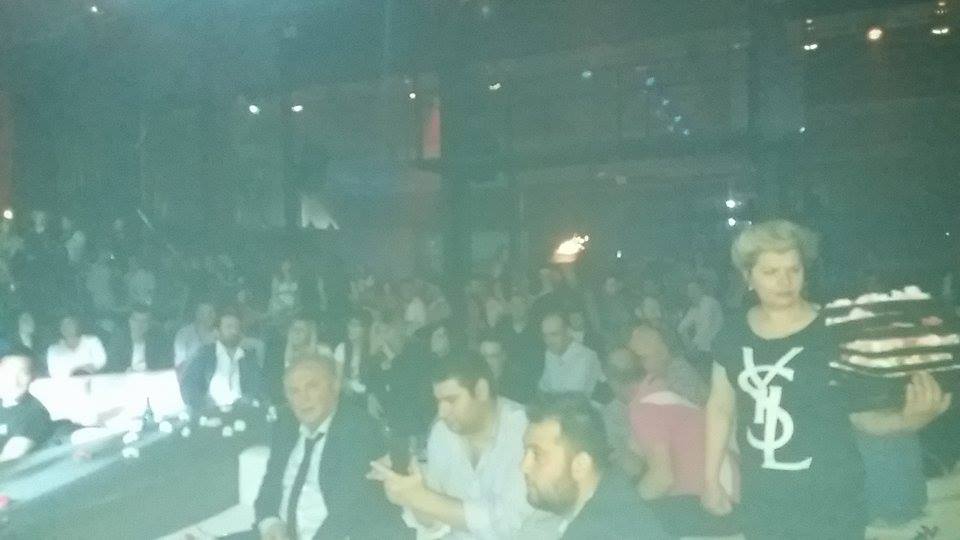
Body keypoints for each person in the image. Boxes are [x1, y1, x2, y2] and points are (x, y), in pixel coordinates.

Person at [702, 220, 951, 538]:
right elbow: (720, 407)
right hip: (763, 499)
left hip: (832, 499)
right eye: (771, 271)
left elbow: (863, 417)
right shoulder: (733, 333)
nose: (785, 281)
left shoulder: (837, 330)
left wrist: (907, 421)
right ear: (748, 276)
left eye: (794, 269)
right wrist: (710, 479)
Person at [227, 355, 407, 540]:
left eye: (312, 386)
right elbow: (270, 487)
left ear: (334, 387)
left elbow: (347, 510)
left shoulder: (358, 429)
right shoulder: (286, 425)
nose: (303, 398)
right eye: (294, 391)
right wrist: (271, 524)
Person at [368, 354, 544, 539]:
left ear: (481, 390)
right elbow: (435, 523)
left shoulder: (525, 431)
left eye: (451, 400)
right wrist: (408, 488)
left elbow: (507, 522)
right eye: (439, 402)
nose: (442, 412)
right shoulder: (442, 433)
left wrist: (422, 498)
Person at [522, 393, 671, 539]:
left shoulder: (595, 532)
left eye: (537, 455)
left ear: (580, 465)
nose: (523, 466)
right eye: (526, 452)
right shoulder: (613, 489)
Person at [179, 310, 263, 410]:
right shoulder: (205, 355)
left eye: (237, 327)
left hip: (242, 412)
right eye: (229, 327)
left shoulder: (248, 358)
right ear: (217, 332)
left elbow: (258, 388)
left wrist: (249, 400)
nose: (234, 331)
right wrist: (203, 403)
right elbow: (188, 385)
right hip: (211, 412)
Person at [628, 325, 706, 406]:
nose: (642, 365)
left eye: (644, 358)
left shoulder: (679, 374)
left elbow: (697, 407)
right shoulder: (662, 376)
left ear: (662, 353)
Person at [600, 348, 645, 479]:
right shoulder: (608, 416)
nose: (625, 381)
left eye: (631, 373)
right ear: (608, 378)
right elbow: (631, 467)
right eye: (616, 374)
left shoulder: (660, 401)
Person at [0, 354, 53, 462]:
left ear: (32, 378)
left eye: (23, 373)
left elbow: (8, 461)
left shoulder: (35, 413)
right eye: (8, 373)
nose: (14, 381)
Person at [538, 313, 603, 396]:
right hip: (555, 402)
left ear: (568, 332)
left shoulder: (586, 357)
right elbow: (543, 388)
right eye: (545, 335)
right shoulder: (550, 353)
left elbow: (573, 397)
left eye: (554, 334)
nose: (548, 341)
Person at [677, 277, 724, 376]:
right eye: (689, 290)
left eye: (694, 289)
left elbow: (705, 327)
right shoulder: (693, 308)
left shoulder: (709, 302)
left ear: (702, 290)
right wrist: (688, 345)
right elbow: (681, 328)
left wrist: (692, 346)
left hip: (716, 348)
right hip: (703, 349)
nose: (692, 293)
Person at [106, 305, 169, 373]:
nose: (139, 325)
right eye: (136, 320)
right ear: (130, 321)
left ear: (150, 324)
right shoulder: (119, 338)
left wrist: (151, 371)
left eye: (144, 321)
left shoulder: (158, 339)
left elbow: (164, 363)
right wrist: (125, 371)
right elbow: (112, 363)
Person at [333, 310, 373, 400]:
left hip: (366, 395)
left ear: (365, 329)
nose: (351, 328)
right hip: (347, 395)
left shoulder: (372, 349)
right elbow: (338, 376)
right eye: (350, 324)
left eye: (356, 325)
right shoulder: (342, 348)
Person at [173, 300, 217, 368]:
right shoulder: (184, 334)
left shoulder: (218, 334)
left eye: (213, 312)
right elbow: (180, 365)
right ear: (198, 315)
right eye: (209, 313)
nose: (212, 316)